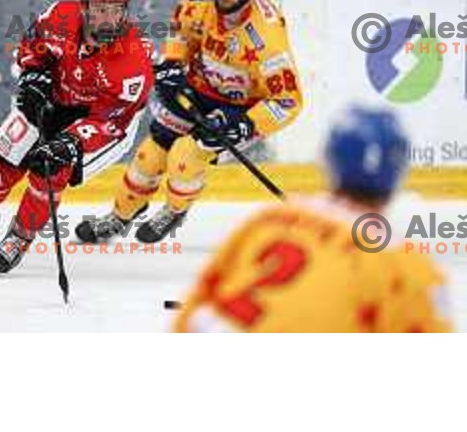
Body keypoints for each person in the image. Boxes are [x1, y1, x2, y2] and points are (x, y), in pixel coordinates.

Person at [75, 0, 303, 244]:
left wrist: (245, 125)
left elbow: (289, 101)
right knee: (149, 155)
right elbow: (181, 34)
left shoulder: (268, 38)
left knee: (186, 155)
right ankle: (119, 218)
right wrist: (172, 64)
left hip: (241, 108)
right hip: (198, 89)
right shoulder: (197, 1)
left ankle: (174, 210)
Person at [0, 0, 154, 273]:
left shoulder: (133, 61)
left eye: (116, 9)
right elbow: (33, 43)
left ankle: (19, 237)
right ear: (84, 7)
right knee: (2, 159)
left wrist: (71, 142)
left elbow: (111, 122)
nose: (109, 18)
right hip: (54, 98)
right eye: (100, 9)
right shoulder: (59, 16)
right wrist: (34, 74)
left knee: (49, 171)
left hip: (100, 123)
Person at [173, 106, 451, 332]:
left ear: (328, 160)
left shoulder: (269, 220)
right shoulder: (406, 264)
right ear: (400, 171)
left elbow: (195, 308)